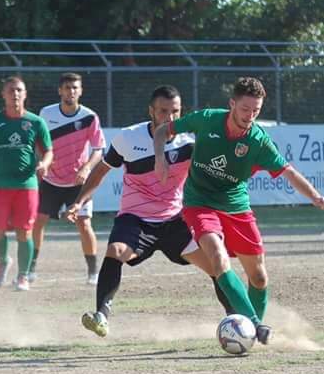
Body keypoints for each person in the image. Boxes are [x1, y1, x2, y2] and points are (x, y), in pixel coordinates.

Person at [153, 76, 324, 345]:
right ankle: (255, 325)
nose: (250, 116)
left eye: (256, 111)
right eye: (246, 109)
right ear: (232, 104)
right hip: (199, 203)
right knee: (217, 257)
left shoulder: (258, 141)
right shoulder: (207, 119)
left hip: (236, 205)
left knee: (258, 276)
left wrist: (316, 196)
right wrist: (160, 160)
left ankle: (251, 331)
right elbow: (161, 131)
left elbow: (288, 171)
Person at [64, 85, 227, 338]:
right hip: (136, 219)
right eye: (163, 111)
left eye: (175, 112)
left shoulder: (192, 141)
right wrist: (79, 201)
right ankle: (101, 316)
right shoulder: (129, 138)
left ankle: (238, 318)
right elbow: (101, 172)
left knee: (217, 266)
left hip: (175, 220)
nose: (170, 118)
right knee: (116, 251)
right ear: (151, 111)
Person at [0, 76, 54, 291]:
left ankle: (23, 276)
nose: (15, 94)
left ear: (25, 94)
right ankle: (3, 260)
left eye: (19, 90)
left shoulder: (36, 122)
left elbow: (48, 151)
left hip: (27, 184)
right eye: (10, 90)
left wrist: (44, 164)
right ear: (3, 94)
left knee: (24, 231)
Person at [31, 73, 106, 285]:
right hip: (51, 181)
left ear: (80, 91)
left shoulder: (90, 117)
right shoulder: (46, 114)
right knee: (38, 222)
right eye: (67, 87)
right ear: (60, 91)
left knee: (84, 223)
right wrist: (44, 162)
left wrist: (86, 168)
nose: (71, 91)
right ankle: (30, 269)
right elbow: (39, 141)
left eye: (75, 88)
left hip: (78, 183)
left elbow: (99, 148)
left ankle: (93, 273)